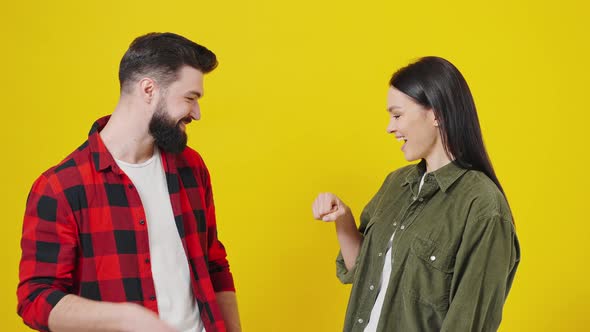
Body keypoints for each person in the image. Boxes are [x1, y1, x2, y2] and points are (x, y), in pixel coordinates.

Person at [17, 32, 241, 332]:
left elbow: (215, 264)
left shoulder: (192, 167)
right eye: (190, 98)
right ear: (149, 89)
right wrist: (124, 319)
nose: (197, 114)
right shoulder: (60, 187)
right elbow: (36, 299)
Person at [312, 56, 520, 331]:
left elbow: (469, 321)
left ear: (436, 114)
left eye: (397, 115)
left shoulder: (482, 207)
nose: (390, 127)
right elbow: (363, 273)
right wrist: (343, 219)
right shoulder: (396, 184)